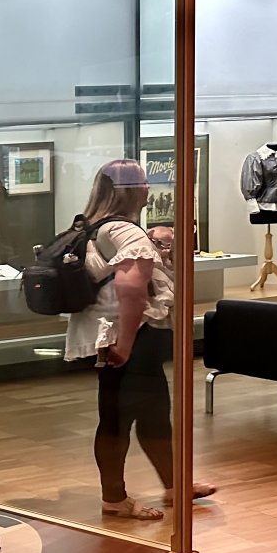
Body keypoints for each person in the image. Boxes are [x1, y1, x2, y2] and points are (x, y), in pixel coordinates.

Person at [64, 162, 215, 520]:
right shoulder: (126, 232)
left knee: (150, 413)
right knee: (119, 418)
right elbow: (131, 291)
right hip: (127, 336)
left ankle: (175, 485)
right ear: (132, 190)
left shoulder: (91, 226)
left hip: (105, 333)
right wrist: (127, 344)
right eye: (143, 182)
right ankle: (115, 499)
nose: (149, 187)